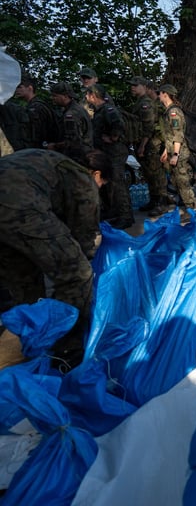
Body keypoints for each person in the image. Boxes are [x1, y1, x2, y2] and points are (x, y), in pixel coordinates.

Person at [0, 148, 113, 365]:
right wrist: (88, 255)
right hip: (18, 207)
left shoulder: (49, 162)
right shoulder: (83, 178)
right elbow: (84, 237)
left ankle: (32, 338)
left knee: (24, 277)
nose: (98, 190)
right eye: (102, 185)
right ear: (97, 175)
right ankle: (67, 349)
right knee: (78, 275)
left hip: (12, 208)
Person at [86, 84, 133, 229]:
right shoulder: (99, 111)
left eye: (88, 95)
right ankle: (113, 211)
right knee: (109, 184)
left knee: (118, 184)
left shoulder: (108, 109)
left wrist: (113, 138)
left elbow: (119, 124)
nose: (86, 98)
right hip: (106, 153)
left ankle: (126, 216)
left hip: (115, 152)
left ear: (93, 96)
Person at [157, 84, 196, 220]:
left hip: (178, 153)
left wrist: (175, 154)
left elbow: (178, 134)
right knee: (176, 182)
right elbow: (169, 136)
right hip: (172, 151)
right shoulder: (168, 111)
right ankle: (188, 207)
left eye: (160, 93)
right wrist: (166, 151)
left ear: (165, 94)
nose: (158, 96)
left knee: (183, 182)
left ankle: (193, 210)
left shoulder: (173, 112)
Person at [129, 77, 168, 215]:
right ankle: (154, 200)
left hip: (150, 144)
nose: (132, 87)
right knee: (148, 174)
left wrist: (142, 145)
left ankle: (162, 203)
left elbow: (148, 126)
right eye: (131, 85)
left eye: (136, 85)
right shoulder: (140, 102)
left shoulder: (146, 103)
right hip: (142, 142)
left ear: (144, 87)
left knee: (156, 174)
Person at [49, 81, 94, 163]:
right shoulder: (77, 108)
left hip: (78, 157)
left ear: (65, 96)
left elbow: (73, 142)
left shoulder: (71, 114)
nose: (52, 98)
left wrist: (54, 146)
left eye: (55, 96)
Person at [13, 75, 60, 150]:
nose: (16, 90)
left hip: (41, 152)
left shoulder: (36, 108)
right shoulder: (34, 105)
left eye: (19, 87)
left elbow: (37, 136)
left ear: (30, 88)